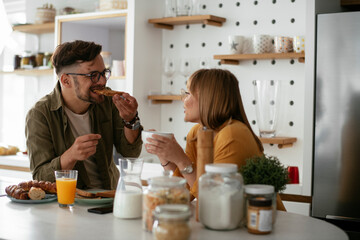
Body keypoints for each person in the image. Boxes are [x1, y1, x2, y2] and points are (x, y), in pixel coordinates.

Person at [25, 40, 142, 190]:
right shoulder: (39, 115)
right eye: (93, 75)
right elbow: (40, 177)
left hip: (109, 197)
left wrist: (130, 120)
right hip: (69, 203)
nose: (102, 80)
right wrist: (71, 155)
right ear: (66, 80)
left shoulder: (108, 102)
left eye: (103, 73)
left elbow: (130, 153)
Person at [144, 68, 264, 198]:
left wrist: (181, 159)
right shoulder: (197, 132)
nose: (183, 99)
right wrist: (164, 153)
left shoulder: (232, 134)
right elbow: (185, 191)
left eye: (188, 93)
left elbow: (213, 197)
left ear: (207, 98)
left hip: (258, 215)